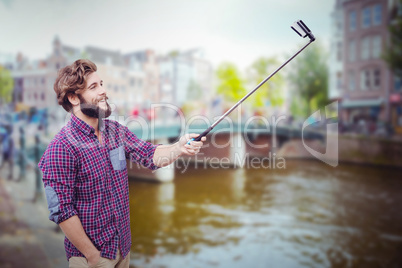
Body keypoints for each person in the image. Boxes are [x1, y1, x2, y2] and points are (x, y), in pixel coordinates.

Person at [38, 59, 205, 268]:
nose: (103, 91)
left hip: (122, 249)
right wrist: (92, 255)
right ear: (73, 98)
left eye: (101, 84)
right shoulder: (61, 148)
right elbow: (61, 210)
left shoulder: (116, 131)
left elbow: (150, 154)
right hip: (91, 258)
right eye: (94, 87)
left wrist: (179, 146)